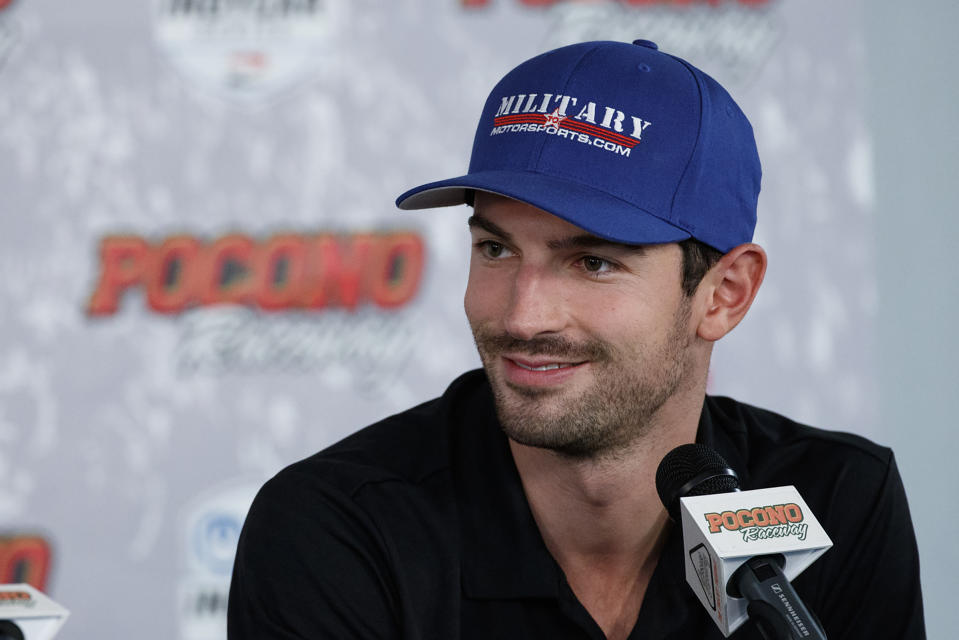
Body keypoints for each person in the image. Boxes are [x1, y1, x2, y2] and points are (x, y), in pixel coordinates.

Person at [227, 39, 924, 639]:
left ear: (723, 294)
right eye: (495, 251)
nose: (524, 317)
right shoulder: (339, 530)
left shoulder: (834, 500)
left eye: (593, 263)